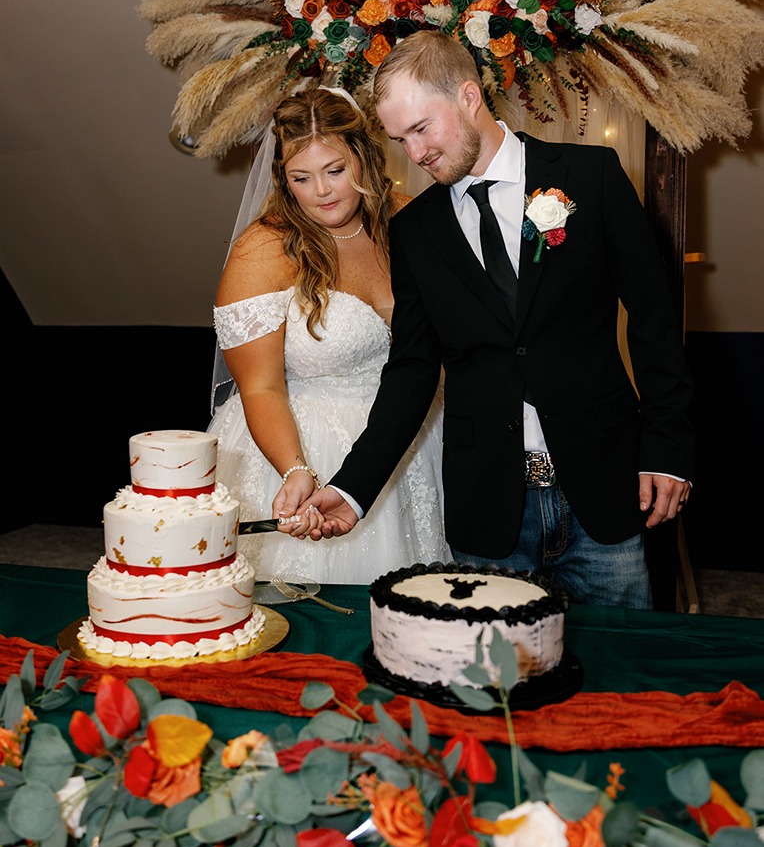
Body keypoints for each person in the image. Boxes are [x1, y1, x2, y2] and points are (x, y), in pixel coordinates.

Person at [300, 32, 694, 608]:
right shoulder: (414, 231)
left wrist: (667, 448)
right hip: (488, 504)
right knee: (495, 664)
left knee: (621, 658)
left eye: (422, 128)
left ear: (468, 96)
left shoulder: (591, 175)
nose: (415, 153)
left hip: (604, 485)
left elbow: (654, 318)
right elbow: (411, 370)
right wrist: (353, 488)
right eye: (400, 139)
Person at [208, 85, 449, 584]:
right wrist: (295, 468)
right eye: (302, 177)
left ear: (363, 155)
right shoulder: (264, 250)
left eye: (335, 170)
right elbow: (260, 387)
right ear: (283, 177)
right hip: (300, 445)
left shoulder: (411, 220)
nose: (322, 191)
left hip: (414, 436)